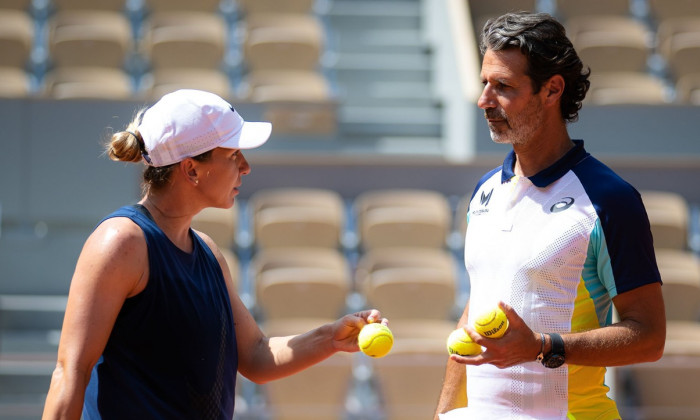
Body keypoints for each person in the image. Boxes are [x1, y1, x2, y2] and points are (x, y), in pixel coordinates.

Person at [42, 89, 387, 420]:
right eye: (233, 155)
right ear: (191, 169)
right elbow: (71, 371)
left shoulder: (208, 252)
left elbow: (255, 356)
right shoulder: (121, 242)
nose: (246, 167)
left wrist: (331, 337)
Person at [435, 12, 665, 420]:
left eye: (503, 86)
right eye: (485, 83)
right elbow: (475, 311)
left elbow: (649, 337)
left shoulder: (610, 199)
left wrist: (543, 346)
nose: (484, 100)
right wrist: (443, 414)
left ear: (552, 89)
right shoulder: (484, 191)